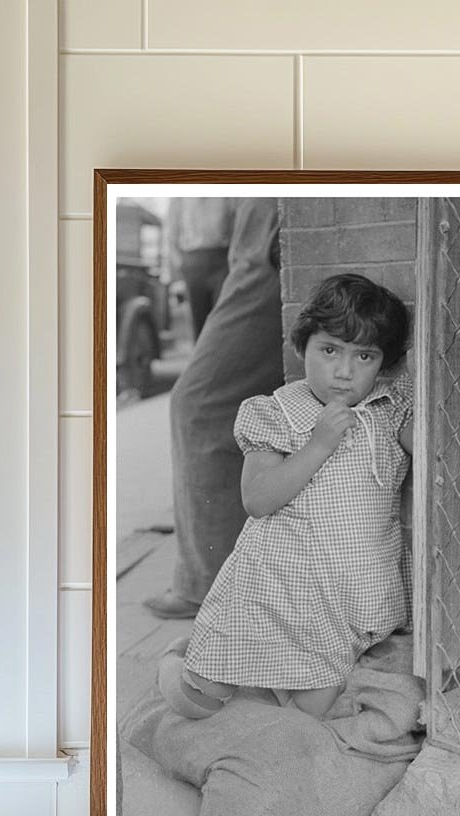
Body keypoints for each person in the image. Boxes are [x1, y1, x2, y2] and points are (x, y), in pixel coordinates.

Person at [157, 273, 414, 721]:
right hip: (280, 586)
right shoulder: (276, 413)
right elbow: (257, 500)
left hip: (353, 589)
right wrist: (318, 445)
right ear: (303, 347)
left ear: (383, 365)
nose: (344, 371)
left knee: (310, 708)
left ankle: (271, 700)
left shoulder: (389, 409)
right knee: (200, 700)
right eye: (329, 349)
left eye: (365, 356)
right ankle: (185, 665)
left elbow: (434, 452)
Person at [144, 197, 285, 620]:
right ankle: (226, 578)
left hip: (267, 232)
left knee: (200, 405)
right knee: (216, 403)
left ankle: (209, 584)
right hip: (243, 242)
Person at [166, 197, 237, 340]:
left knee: (223, 315)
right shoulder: (179, 198)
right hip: (192, 263)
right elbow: (171, 238)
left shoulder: (226, 196)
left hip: (221, 260)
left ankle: (222, 359)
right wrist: (182, 265)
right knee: (198, 321)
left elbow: (235, 229)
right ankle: (202, 359)